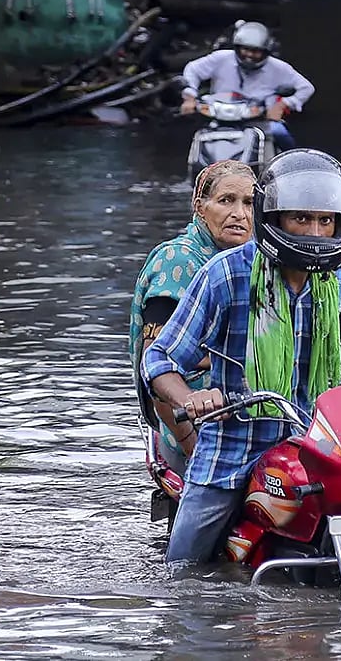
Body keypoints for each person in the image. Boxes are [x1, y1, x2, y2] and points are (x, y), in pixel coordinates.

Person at [143, 149, 341, 564]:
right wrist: (189, 398)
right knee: (185, 572)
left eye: (326, 220)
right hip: (234, 447)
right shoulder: (225, 274)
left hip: (318, 445)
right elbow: (160, 359)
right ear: (275, 218)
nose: (316, 232)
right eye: (301, 218)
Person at [130, 160, 258, 473]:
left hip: (251, 419)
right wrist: (193, 449)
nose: (239, 214)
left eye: (249, 203)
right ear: (201, 208)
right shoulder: (179, 261)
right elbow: (158, 367)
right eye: (226, 201)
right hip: (193, 430)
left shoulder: (255, 262)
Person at [179, 21, 315, 151]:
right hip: (219, 118)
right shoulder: (221, 58)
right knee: (188, 133)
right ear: (237, 47)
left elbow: (306, 87)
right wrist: (189, 97)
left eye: (256, 51)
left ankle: (287, 167)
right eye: (246, 49)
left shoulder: (279, 68)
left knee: (281, 133)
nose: (249, 55)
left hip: (258, 119)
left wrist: (282, 104)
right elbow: (193, 69)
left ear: (266, 51)